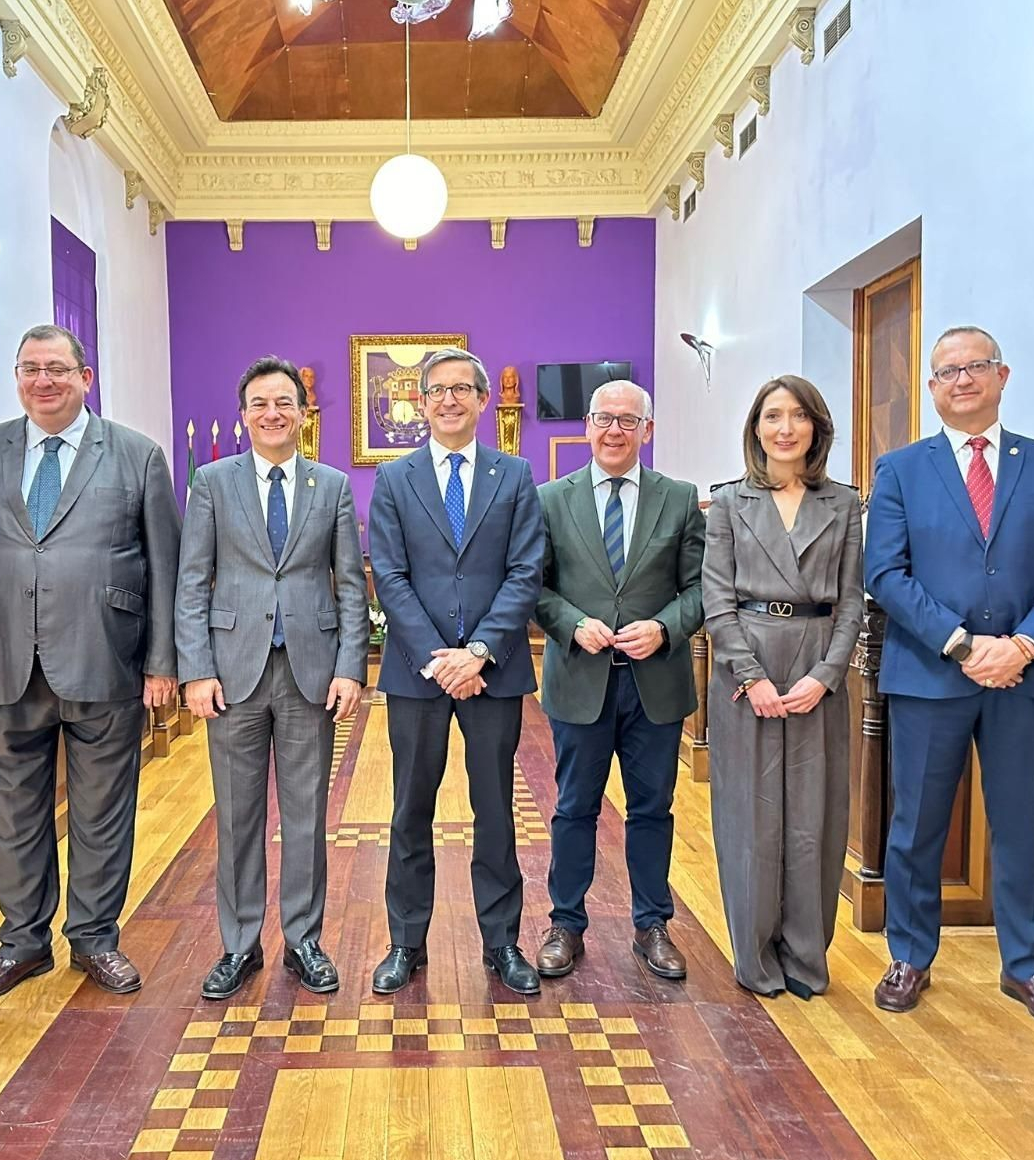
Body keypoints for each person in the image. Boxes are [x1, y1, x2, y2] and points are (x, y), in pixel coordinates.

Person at [0, 323, 181, 1003]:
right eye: (29, 368)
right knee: (14, 813)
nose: (43, 380)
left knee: (104, 810)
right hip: (4, 661)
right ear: (17, 377)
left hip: (106, 655)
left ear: (85, 378)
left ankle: (96, 938)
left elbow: (167, 565)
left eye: (57, 369)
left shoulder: (136, 455)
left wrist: (163, 662)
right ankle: (21, 944)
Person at [865, 326, 1034, 1031]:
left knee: (1022, 823)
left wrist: (1022, 644)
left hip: (1024, 676)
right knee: (916, 826)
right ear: (931, 389)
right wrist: (962, 645)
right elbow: (885, 574)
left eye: (975, 367)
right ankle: (909, 954)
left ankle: (1028, 967)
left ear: (1002, 374)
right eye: (946, 372)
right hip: (932, 674)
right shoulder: (901, 468)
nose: (961, 380)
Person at [176, 356, 368, 1000]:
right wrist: (196, 669)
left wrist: (350, 667)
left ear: (302, 413)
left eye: (284, 402)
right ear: (244, 416)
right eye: (259, 403)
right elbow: (192, 582)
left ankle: (305, 940)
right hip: (232, 672)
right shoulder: (211, 482)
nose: (273, 413)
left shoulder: (332, 486)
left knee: (308, 813)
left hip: (310, 673)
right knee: (236, 815)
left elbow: (349, 585)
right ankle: (239, 945)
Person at [366, 348, 544, 996]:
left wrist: (480, 652)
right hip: (419, 675)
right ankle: (405, 943)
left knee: (496, 812)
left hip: (494, 675)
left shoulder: (515, 474)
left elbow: (526, 570)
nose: (448, 400)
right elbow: (389, 574)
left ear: (480, 400)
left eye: (461, 389)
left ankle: (502, 945)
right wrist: (440, 658)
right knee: (410, 811)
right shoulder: (396, 479)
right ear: (422, 400)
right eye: (436, 390)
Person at [532, 381, 704, 981]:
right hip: (580, 680)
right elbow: (534, 586)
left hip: (655, 683)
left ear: (647, 431)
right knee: (574, 807)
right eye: (604, 418)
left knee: (653, 808)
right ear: (587, 425)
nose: (614, 431)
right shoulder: (550, 499)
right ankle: (565, 924)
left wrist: (664, 628)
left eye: (628, 422)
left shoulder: (679, 499)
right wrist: (572, 623)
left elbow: (702, 589)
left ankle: (652, 925)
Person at [701, 376, 863, 998]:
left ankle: (805, 956)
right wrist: (750, 675)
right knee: (751, 814)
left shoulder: (844, 505)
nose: (785, 427)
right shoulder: (728, 503)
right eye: (773, 416)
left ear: (816, 427)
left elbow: (851, 602)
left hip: (818, 661)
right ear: (756, 428)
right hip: (748, 663)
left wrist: (828, 675)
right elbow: (716, 600)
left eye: (798, 416)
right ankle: (756, 956)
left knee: (814, 816)